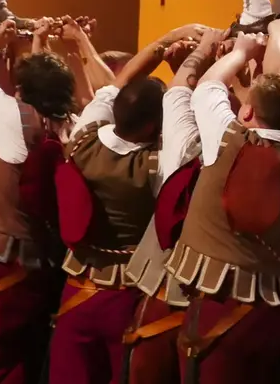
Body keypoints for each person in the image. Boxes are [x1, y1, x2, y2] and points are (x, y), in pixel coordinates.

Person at [49, 25, 202, 384]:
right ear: (153, 125)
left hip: (78, 286)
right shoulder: (159, 166)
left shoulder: (83, 138)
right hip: (128, 293)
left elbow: (119, 85)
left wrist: (164, 41)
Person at [164, 32, 280, 384]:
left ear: (245, 111)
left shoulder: (227, 139)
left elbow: (208, 85)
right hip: (272, 307)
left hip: (217, 303)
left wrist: (242, 50)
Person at [0, 14, 79, 384]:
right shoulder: (73, 125)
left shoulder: (13, 119)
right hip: (40, 268)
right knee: (27, 359)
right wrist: (38, 45)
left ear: (21, 91)